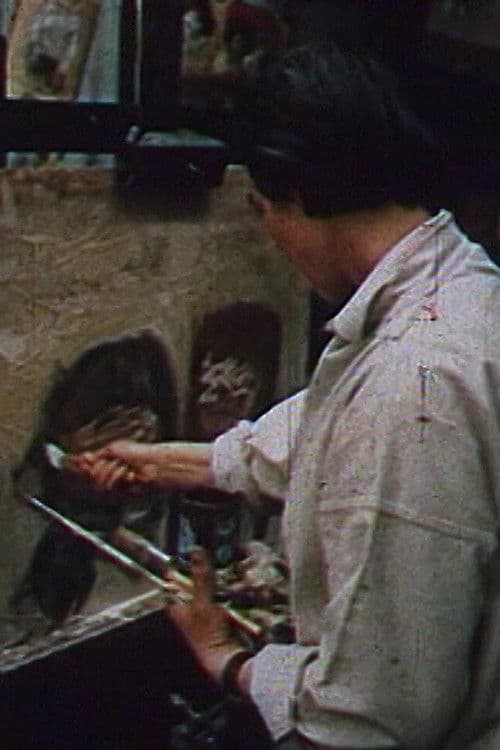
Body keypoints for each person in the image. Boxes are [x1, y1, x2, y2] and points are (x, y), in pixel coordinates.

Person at [78, 44, 500, 750]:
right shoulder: (463, 292)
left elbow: (370, 719)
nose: (271, 237)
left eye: (261, 209)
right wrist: (167, 463)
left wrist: (226, 659)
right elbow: (328, 431)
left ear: (295, 195)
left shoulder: (412, 379)